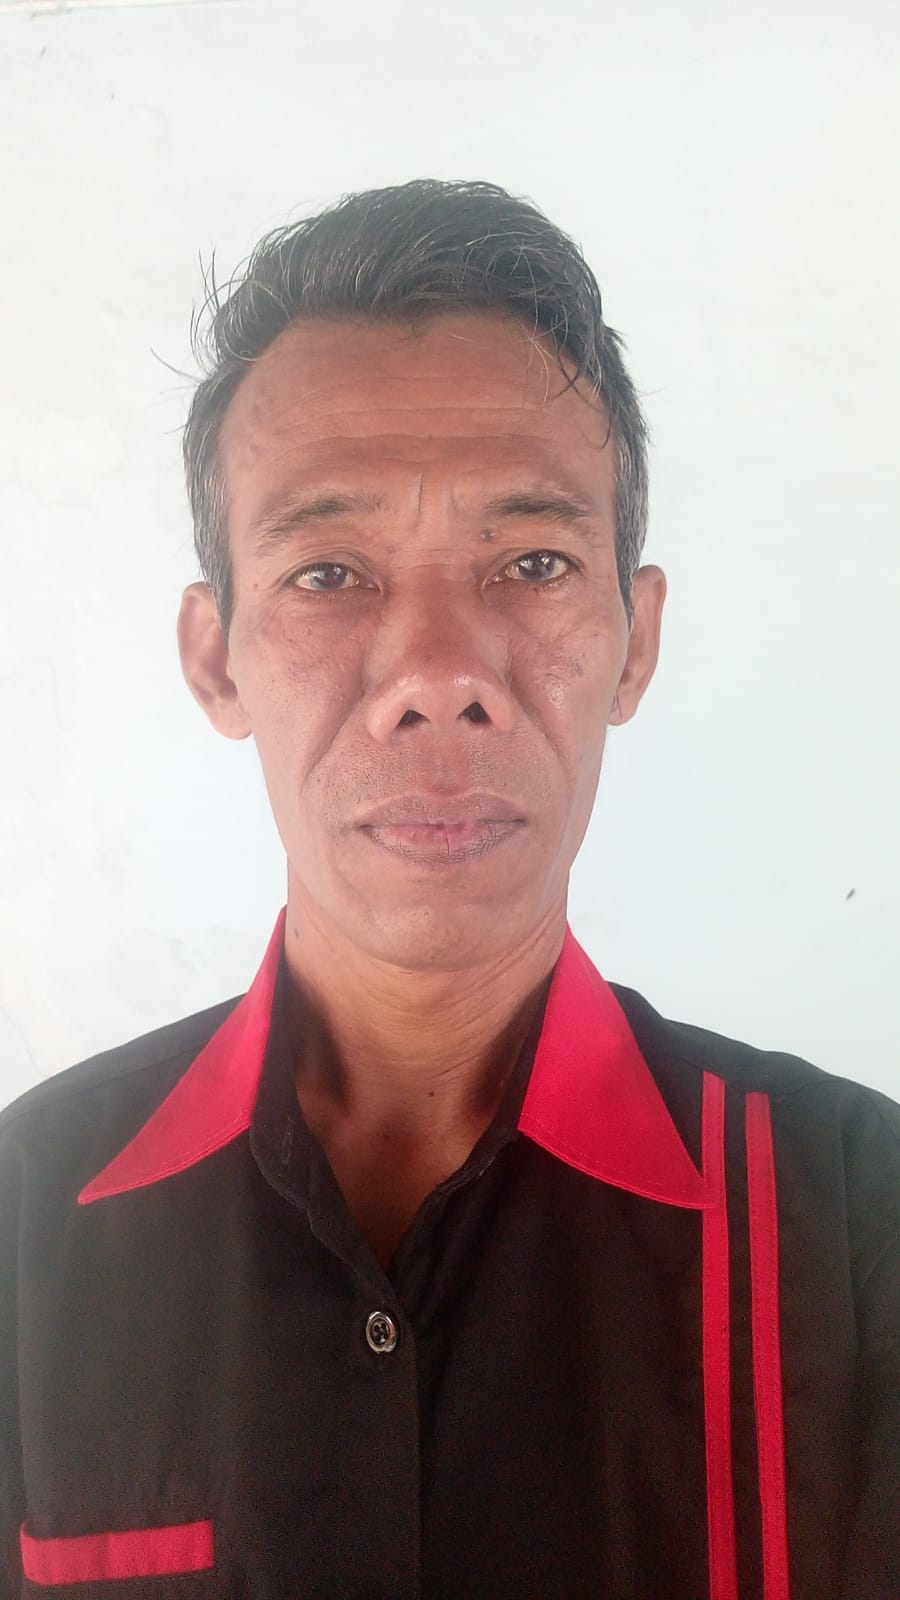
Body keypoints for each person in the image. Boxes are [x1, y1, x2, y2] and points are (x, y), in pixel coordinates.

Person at [0, 180, 896, 1600]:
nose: (436, 675)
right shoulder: (21, 1224)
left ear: (634, 641)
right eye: (328, 571)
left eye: (534, 562)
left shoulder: (862, 1230)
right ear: (216, 660)